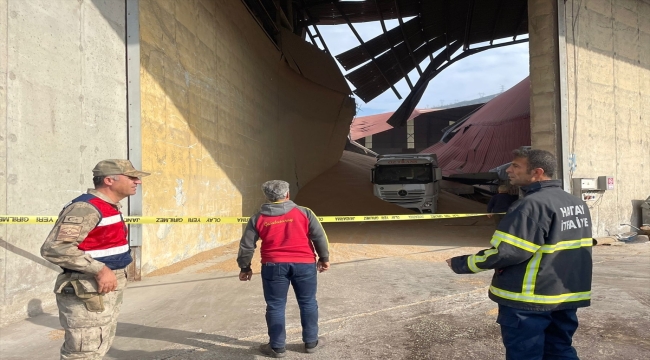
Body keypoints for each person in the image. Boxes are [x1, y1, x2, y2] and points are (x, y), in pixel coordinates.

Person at [446, 148, 592, 360]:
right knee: (560, 350)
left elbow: (508, 252)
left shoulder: (530, 205)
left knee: (525, 355)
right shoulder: (576, 203)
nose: (508, 170)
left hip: (529, 301)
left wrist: (462, 264)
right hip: (565, 297)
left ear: (537, 172)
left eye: (516, 166)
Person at [41, 159, 149, 359]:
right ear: (109, 180)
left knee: (99, 344)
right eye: (132, 177)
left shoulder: (109, 206)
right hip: (87, 288)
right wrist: (100, 269)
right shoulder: (86, 208)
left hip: (101, 289)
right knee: (83, 352)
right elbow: (55, 248)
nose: (138, 181)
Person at [237, 180, 330, 358]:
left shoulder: (258, 218)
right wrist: (324, 258)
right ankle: (311, 342)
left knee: (275, 306)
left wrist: (245, 267)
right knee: (308, 302)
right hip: (304, 264)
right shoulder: (304, 213)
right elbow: (319, 236)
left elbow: (247, 246)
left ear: (267, 197)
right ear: (287, 194)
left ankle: (277, 347)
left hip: (273, 266)